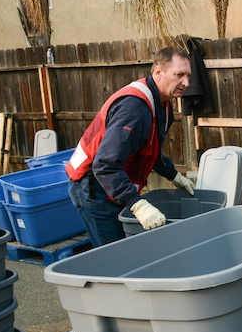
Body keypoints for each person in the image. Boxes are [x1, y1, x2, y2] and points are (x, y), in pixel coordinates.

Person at [66, 47, 195, 246]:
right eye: (179, 75)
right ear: (158, 72)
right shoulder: (134, 108)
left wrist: (174, 175)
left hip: (113, 184)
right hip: (94, 187)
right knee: (115, 255)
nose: (186, 83)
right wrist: (137, 204)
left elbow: (148, 150)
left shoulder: (163, 104)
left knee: (127, 251)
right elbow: (104, 164)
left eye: (188, 76)